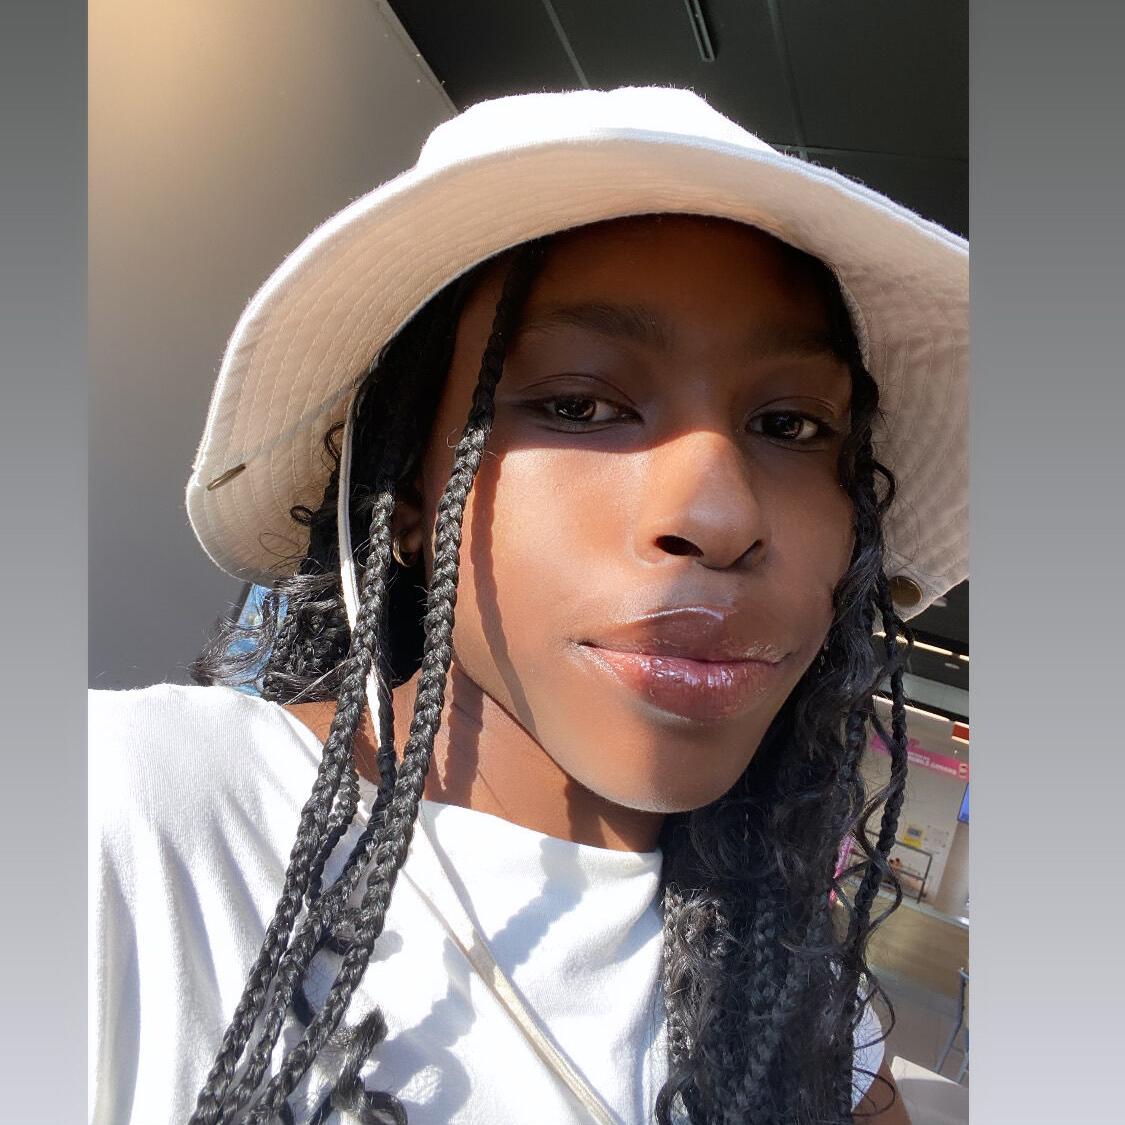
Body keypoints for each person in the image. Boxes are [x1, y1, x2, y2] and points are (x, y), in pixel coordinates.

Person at [90, 87, 967, 1125]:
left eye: (791, 425)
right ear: (408, 498)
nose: (721, 516)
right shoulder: (127, 815)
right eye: (580, 405)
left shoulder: (807, 1009)